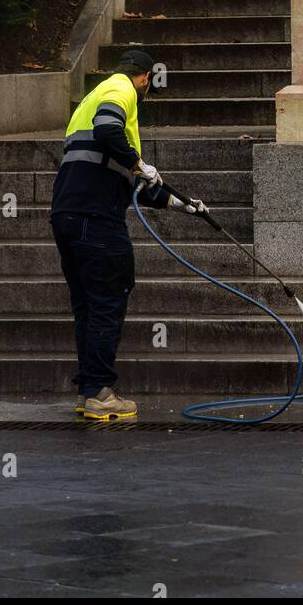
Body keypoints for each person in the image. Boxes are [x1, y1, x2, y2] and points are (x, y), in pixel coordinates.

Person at [50, 48, 206, 421]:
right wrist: (138, 162)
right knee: (107, 300)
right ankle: (102, 393)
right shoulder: (120, 90)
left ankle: (90, 390)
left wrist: (180, 204)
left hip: (68, 216)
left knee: (88, 305)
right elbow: (109, 130)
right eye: (149, 84)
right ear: (145, 78)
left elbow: (123, 181)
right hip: (96, 221)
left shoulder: (88, 101)